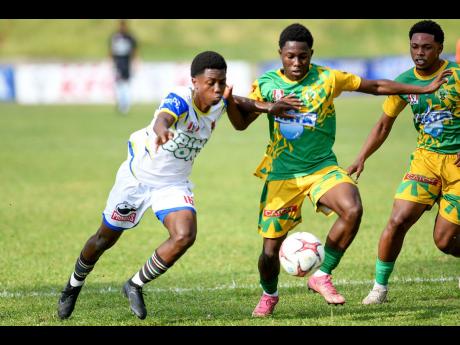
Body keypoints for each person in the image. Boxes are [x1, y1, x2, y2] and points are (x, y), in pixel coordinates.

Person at [56, 50, 302, 320]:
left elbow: (242, 103)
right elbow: (164, 117)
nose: (218, 88)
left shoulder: (220, 102)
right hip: (138, 178)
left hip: (172, 183)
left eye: (222, 82)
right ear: (195, 81)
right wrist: (162, 130)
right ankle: (72, 287)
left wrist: (268, 107)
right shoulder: (180, 98)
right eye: (211, 83)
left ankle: (134, 284)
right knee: (104, 239)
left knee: (185, 235)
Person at [229, 22, 451, 318]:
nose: (297, 63)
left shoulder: (328, 78)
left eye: (303, 56)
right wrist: (266, 107)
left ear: (311, 54)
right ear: (280, 54)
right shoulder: (268, 84)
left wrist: (422, 88)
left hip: (322, 168)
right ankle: (269, 295)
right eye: (290, 56)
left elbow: (376, 87)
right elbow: (241, 122)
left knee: (353, 207)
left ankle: (322, 275)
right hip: (283, 175)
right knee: (270, 251)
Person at [346, 20, 459, 305]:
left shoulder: (456, 76)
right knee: (397, 220)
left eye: (427, 47)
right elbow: (384, 125)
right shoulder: (405, 81)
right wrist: (361, 157)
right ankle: (379, 288)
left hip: (458, 167)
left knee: (444, 241)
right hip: (425, 163)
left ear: (440, 49)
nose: (419, 52)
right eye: (415, 47)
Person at [109, 19, 138, 114]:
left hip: (127, 63)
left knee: (126, 84)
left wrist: (135, 62)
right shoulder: (115, 37)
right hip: (118, 63)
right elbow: (111, 50)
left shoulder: (129, 37)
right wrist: (111, 62)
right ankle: (122, 104)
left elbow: (134, 51)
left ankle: (125, 105)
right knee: (119, 84)